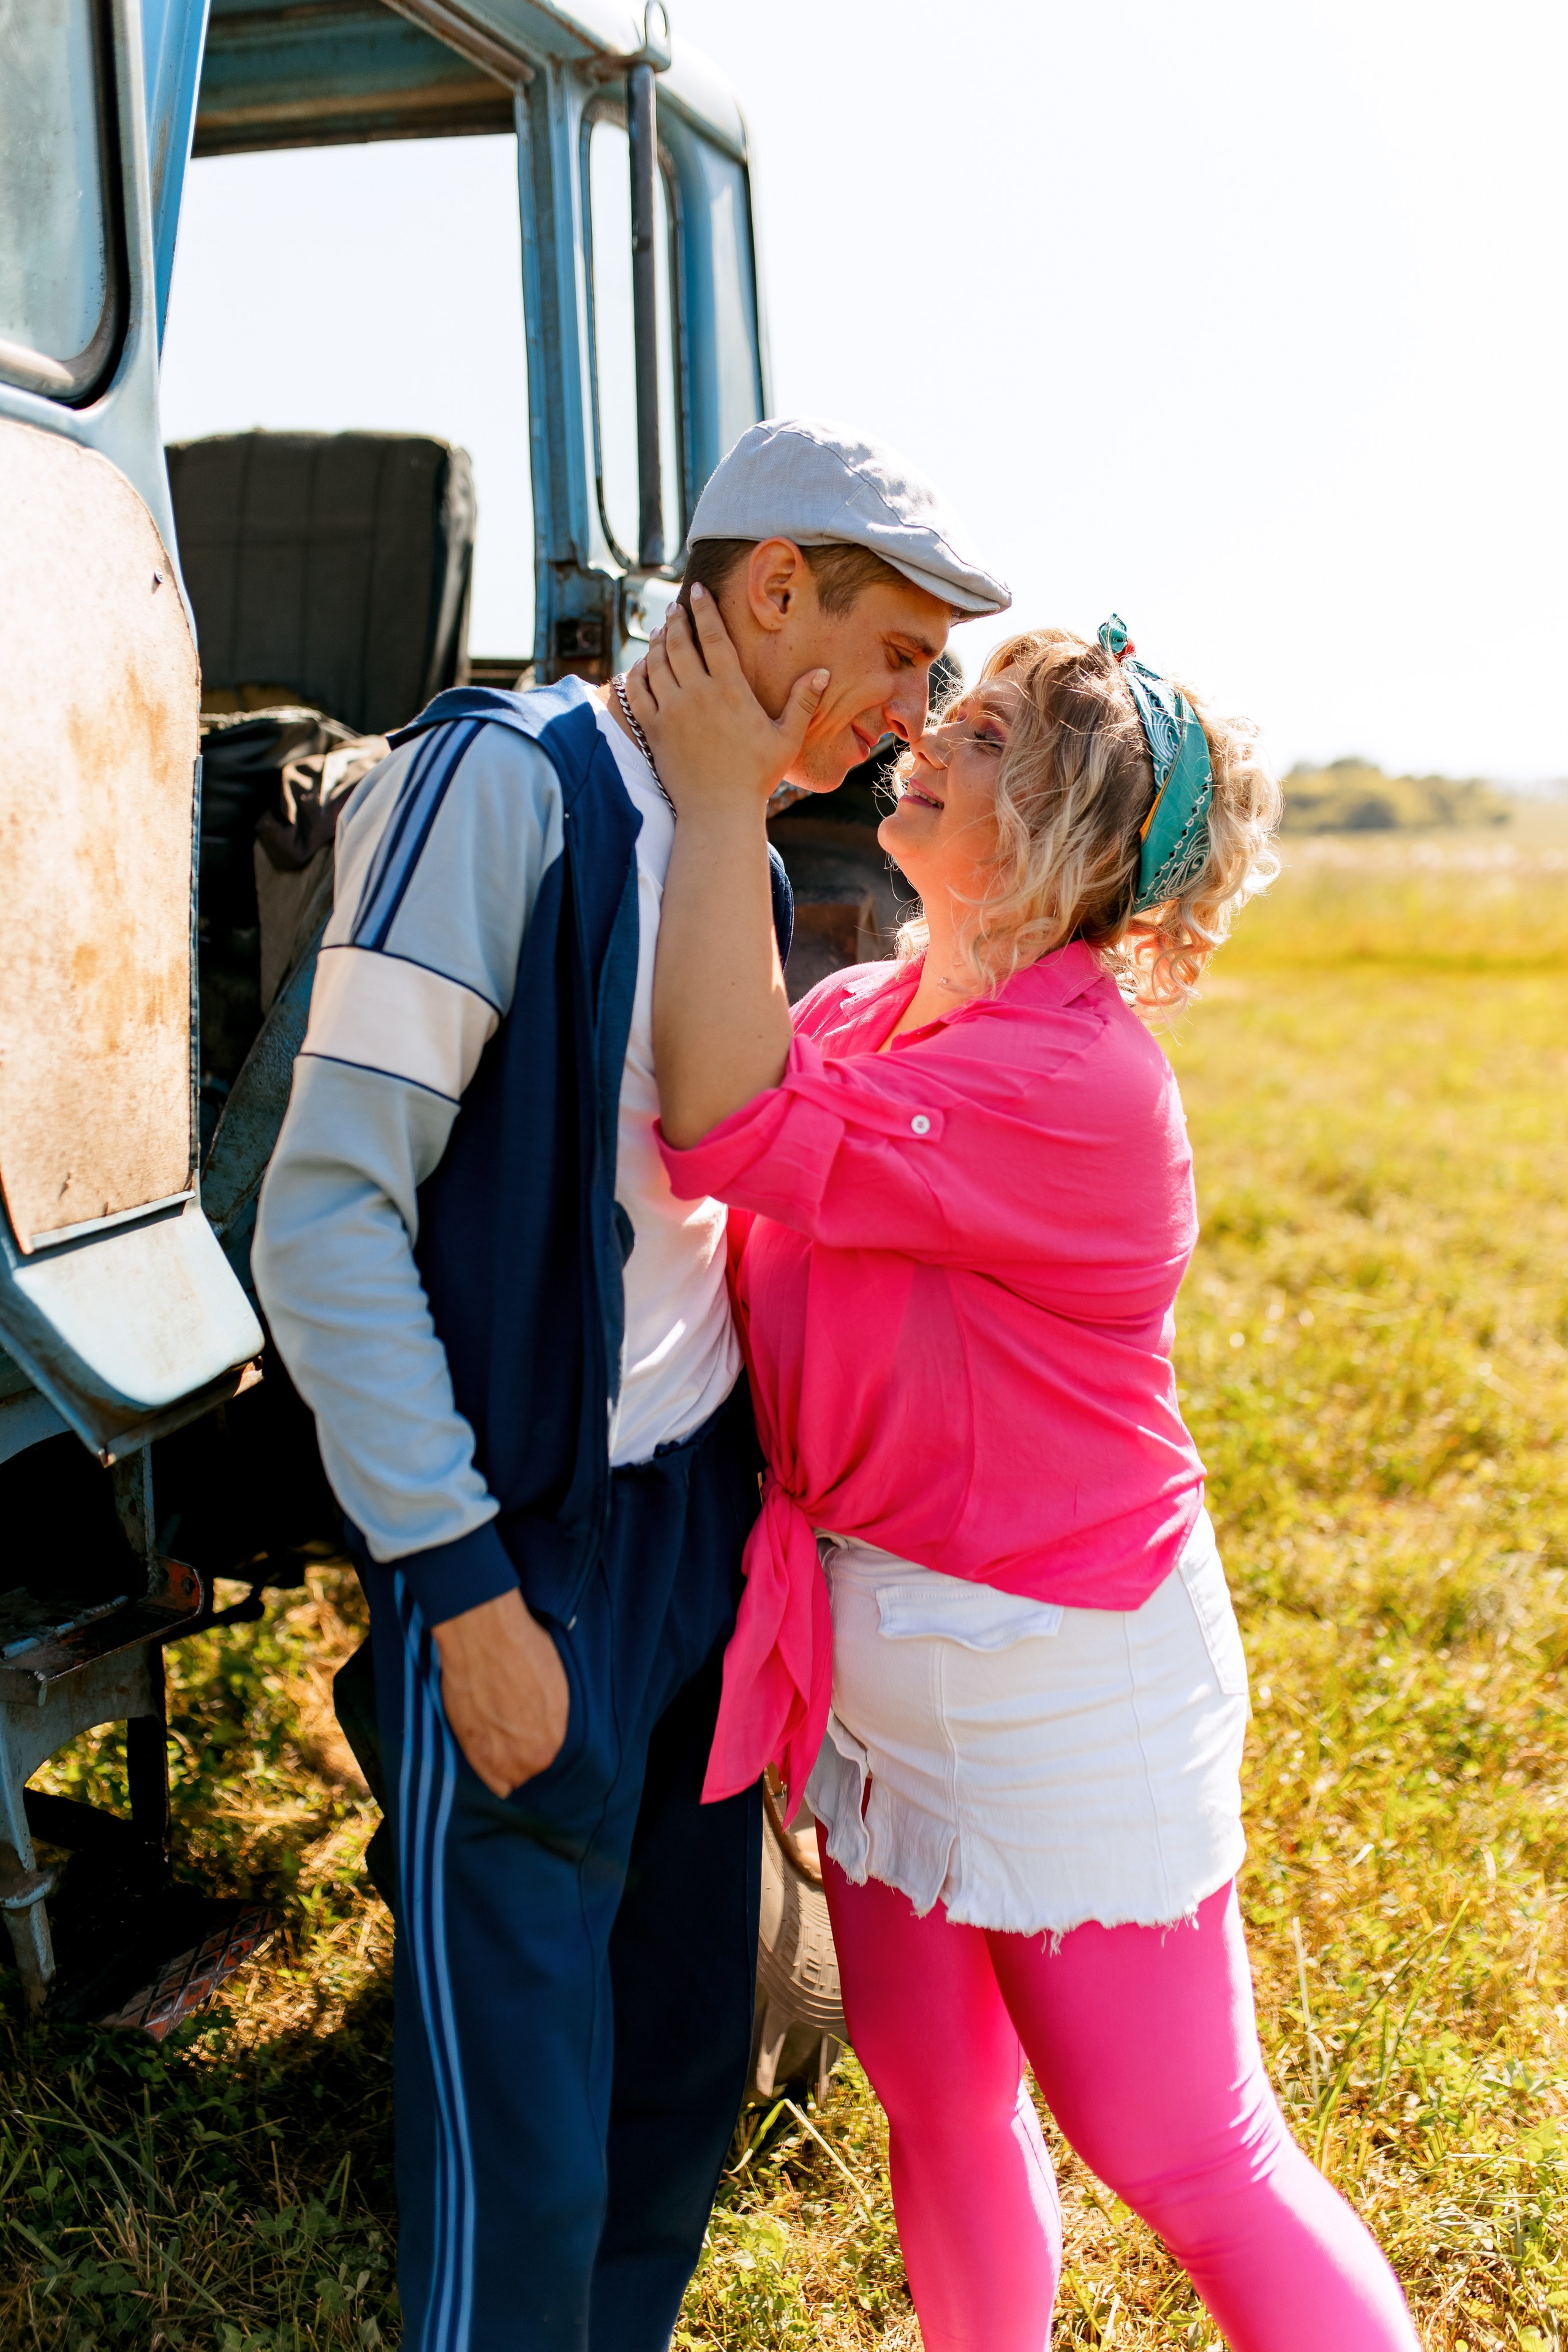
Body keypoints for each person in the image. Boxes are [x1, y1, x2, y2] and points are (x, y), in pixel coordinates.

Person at [251, 417, 1009, 2352]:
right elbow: (327, 1219)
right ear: (773, 593)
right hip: (532, 1555)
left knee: (678, 2076)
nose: (915, 715)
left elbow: (707, 1175)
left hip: (700, 1544)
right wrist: (459, 1586)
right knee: (525, 2164)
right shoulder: (507, 785)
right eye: (904, 654)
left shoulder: (726, 828)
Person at [633, 599, 1422, 2351]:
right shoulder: (856, 1005)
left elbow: (726, 1127)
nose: (925, 733)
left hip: (1062, 1674)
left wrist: (710, 803)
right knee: (936, 2097)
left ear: (1063, 835)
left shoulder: (1076, 1084)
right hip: (876, 1651)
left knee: (1186, 2152)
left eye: (981, 737)